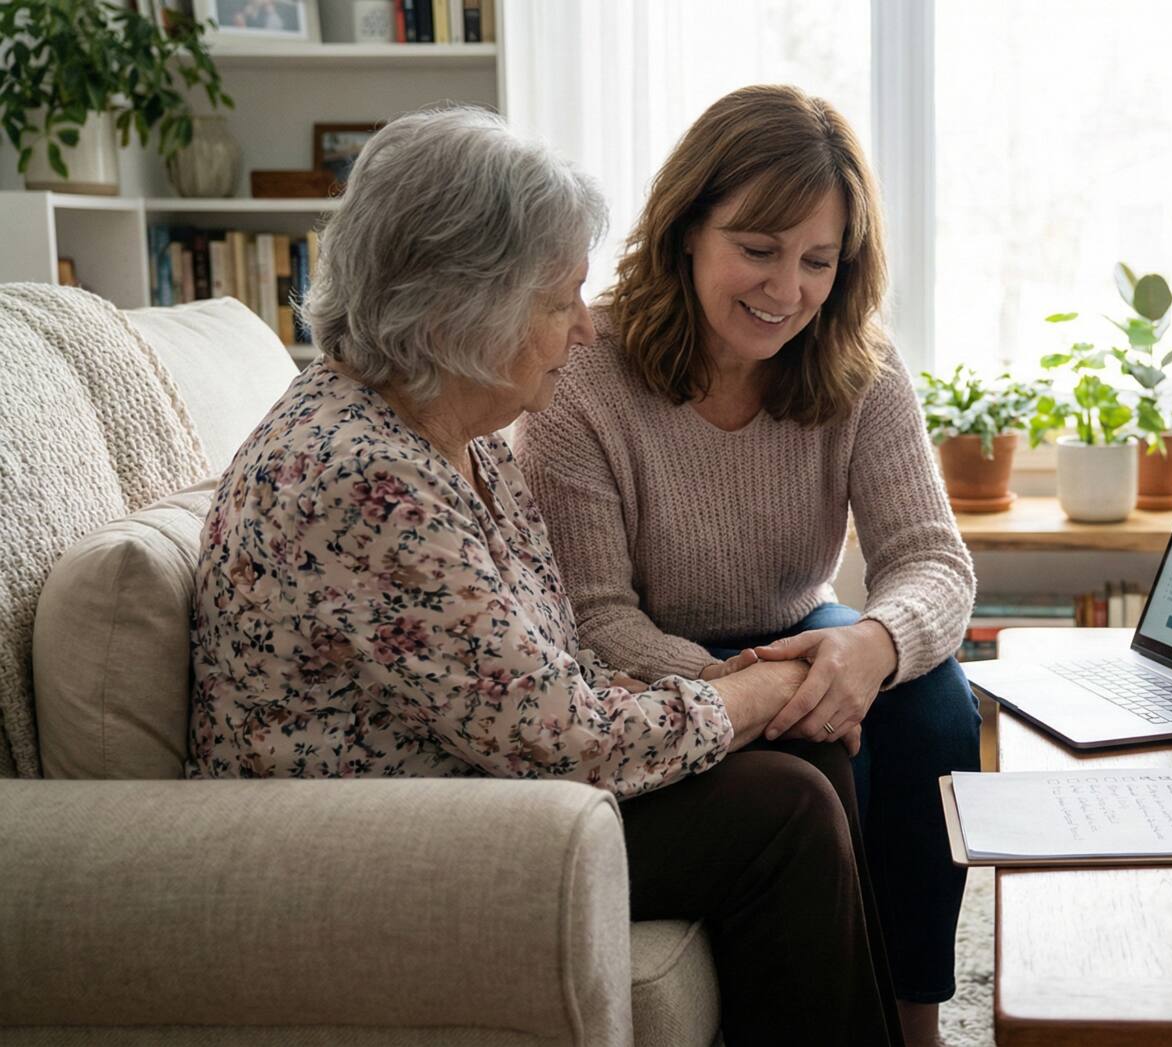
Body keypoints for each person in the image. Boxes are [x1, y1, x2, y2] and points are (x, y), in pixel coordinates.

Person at [185, 105, 900, 1047]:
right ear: (463, 307)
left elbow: (549, 666)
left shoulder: (449, 441)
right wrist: (765, 684)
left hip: (475, 779)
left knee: (809, 752)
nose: (586, 331)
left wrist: (747, 688)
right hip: (384, 838)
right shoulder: (367, 480)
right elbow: (567, 738)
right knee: (787, 812)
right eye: (560, 301)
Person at [514, 84, 978, 1045]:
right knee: (808, 742)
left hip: (799, 624)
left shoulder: (861, 362)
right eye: (758, 250)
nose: (787, 290)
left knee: (937, 708)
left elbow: (933, 558)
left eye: (818, 261)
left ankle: (916, 1015)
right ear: (688, 228)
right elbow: (594, 618)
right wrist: (752, 689)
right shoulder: (585, 374)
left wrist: (874, 647)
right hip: (649, 659)